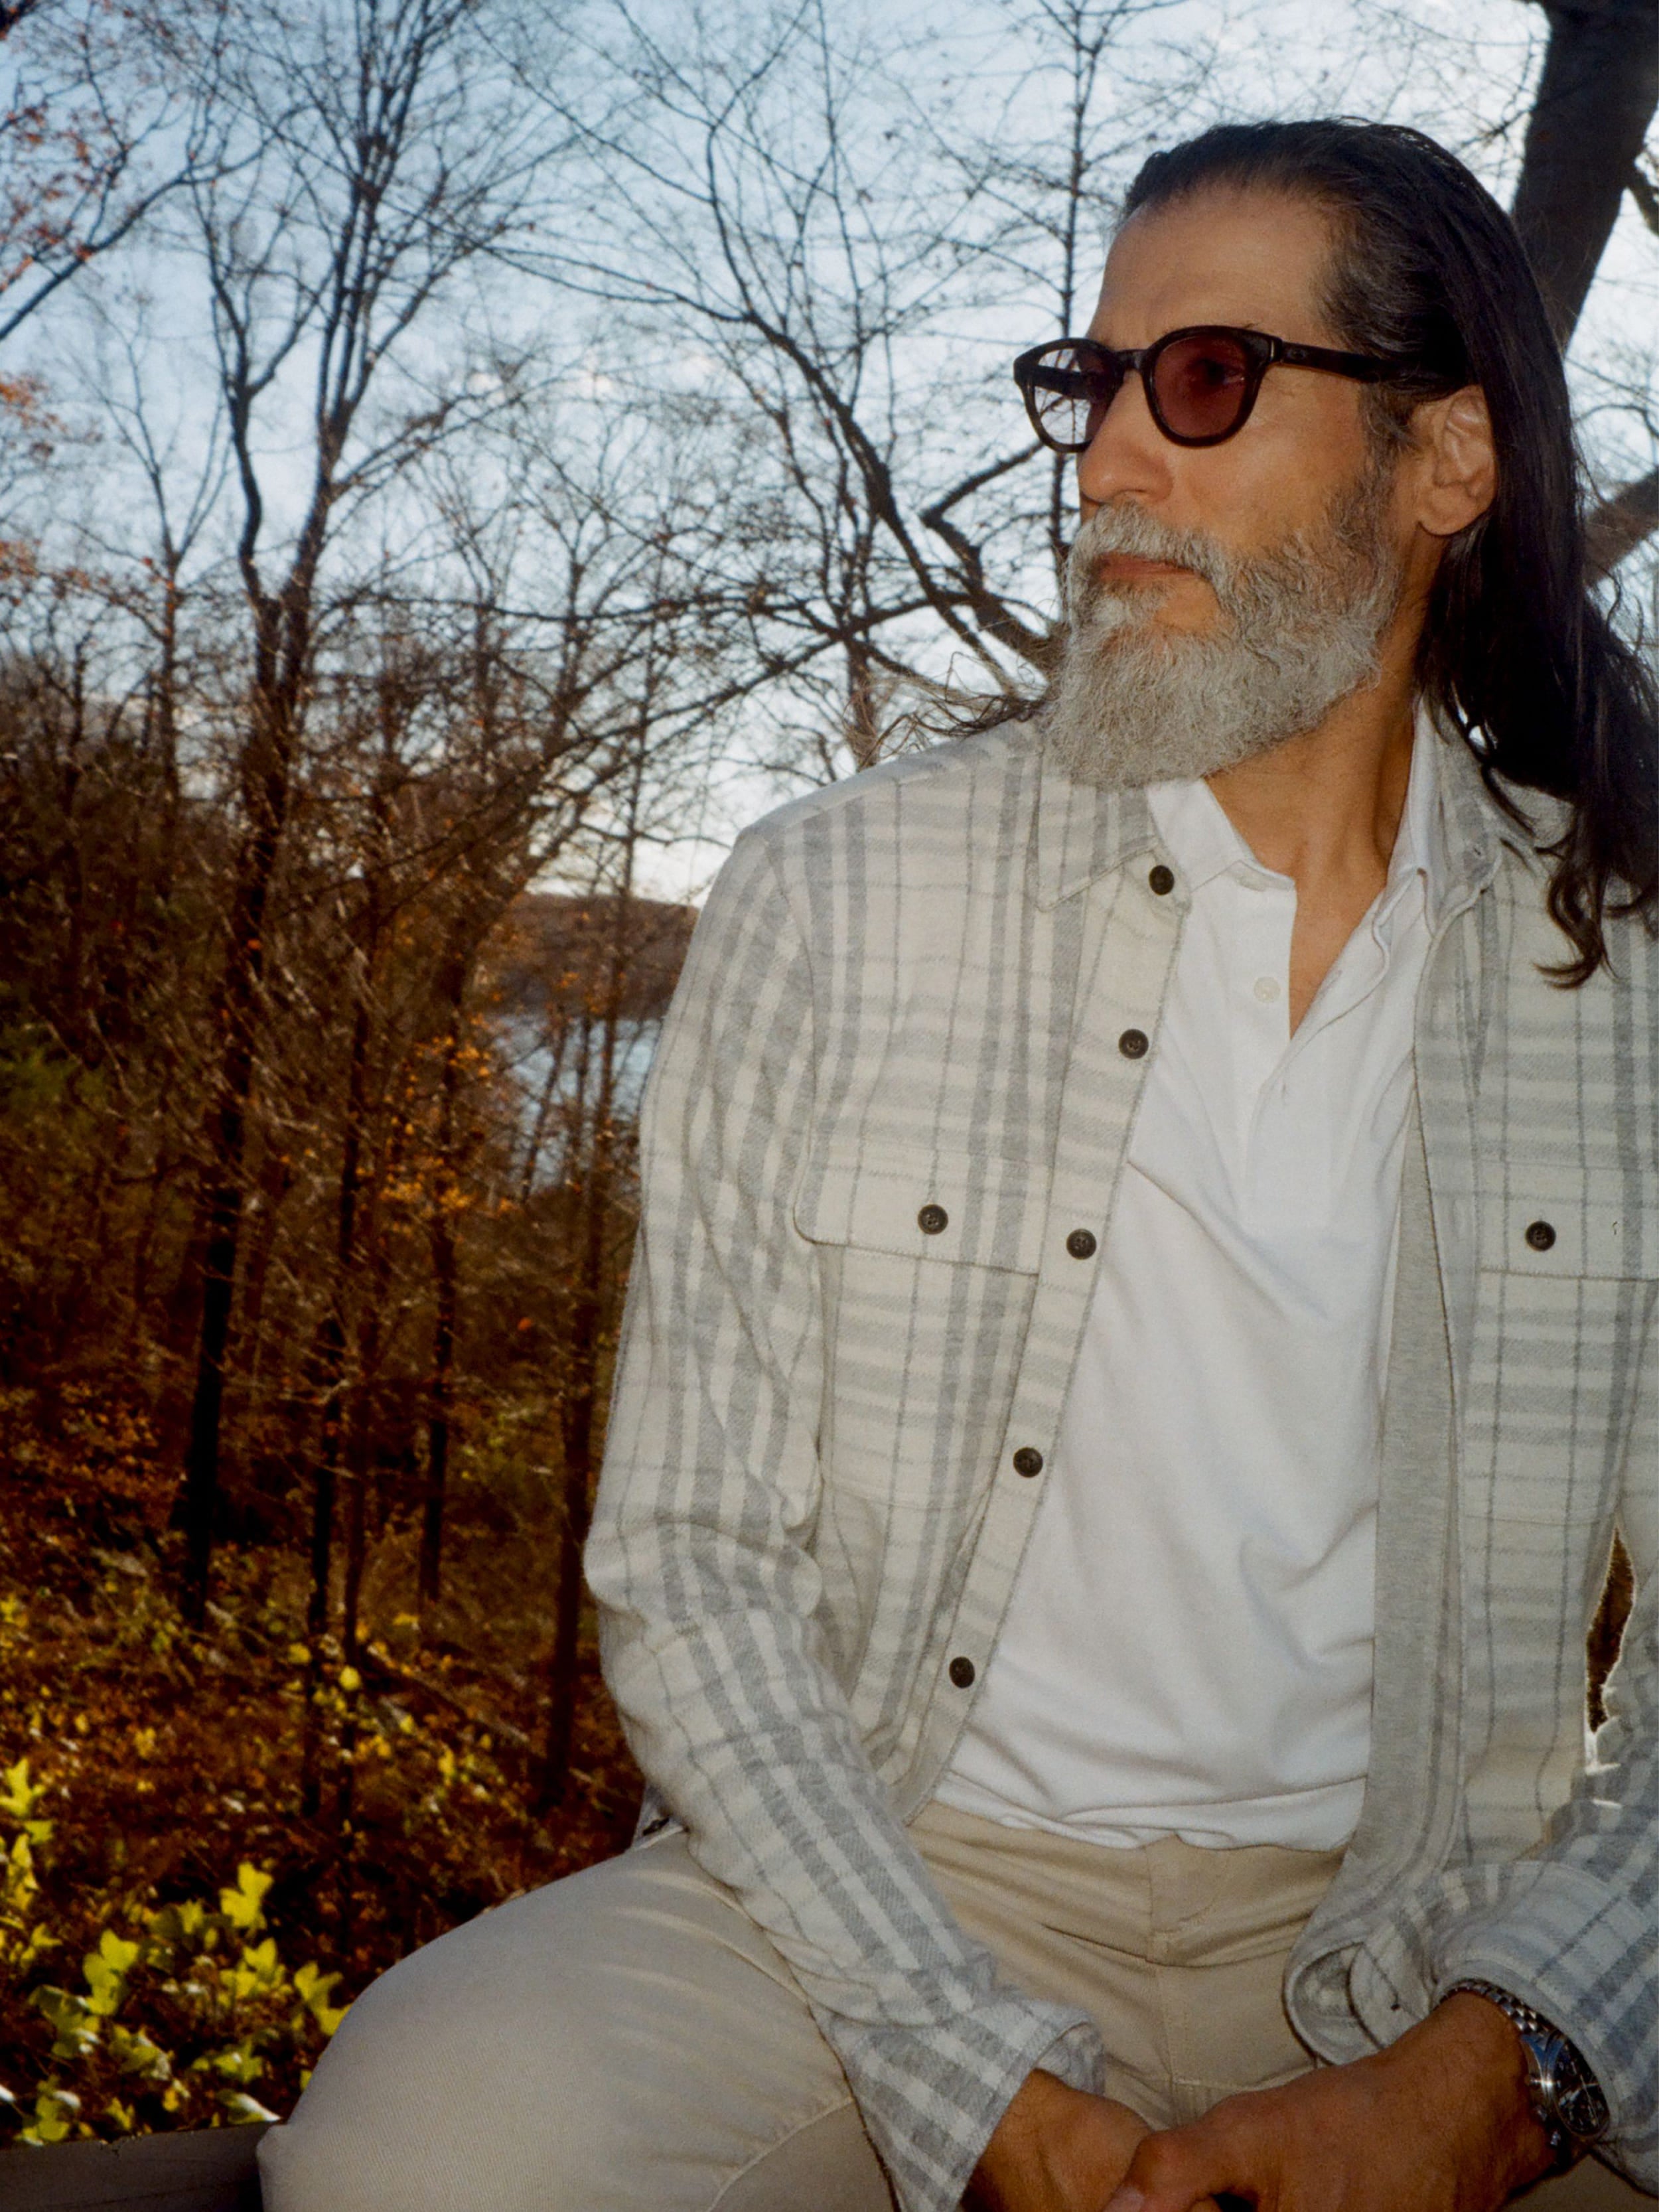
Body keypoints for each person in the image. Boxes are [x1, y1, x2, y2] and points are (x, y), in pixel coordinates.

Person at [257, 119, 1656, 2212]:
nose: (1101, 465)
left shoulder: (1620, 980)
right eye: (1085, 387)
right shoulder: (840, 894)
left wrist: (1500, 2068)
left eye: (1197, 381)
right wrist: (972, 2069)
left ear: (1444, 462)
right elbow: (695, 1565)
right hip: (887, 1877)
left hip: (1442, 1917)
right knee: (421, 2155)